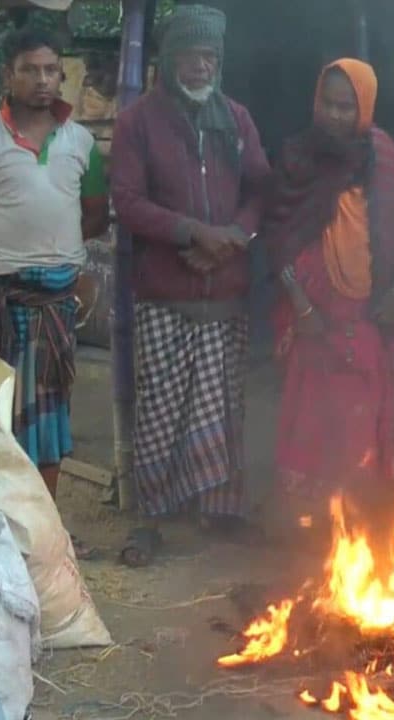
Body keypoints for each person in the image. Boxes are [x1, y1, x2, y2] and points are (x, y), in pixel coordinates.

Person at [109, 4, 270, 566]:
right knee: (161, 409)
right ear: (167, 58)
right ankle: (152, 518)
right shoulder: (137, 122)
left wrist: (232, 236)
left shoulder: (238, 119)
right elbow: (126, 201)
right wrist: (190, 233)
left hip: (224, 286)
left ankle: (220, 510)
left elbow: (259, 191)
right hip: (164, 291)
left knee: (223, 404)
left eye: (209, 57)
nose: (200, 67)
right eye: (190, 55)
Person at [0, 29, 108, 555]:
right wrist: (4, 265)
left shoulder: (80, 143)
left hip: (53, 308)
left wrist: (49, 260)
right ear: (7, 76)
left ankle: (45, 531)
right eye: (30, 69)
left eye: (51, 69)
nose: (42, 79)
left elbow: (95, 215)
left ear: (62, 76)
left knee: (50, 417)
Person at [264, 58, 394, 518]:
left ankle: (357, 523)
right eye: (328, 105)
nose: (335, 115)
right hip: (314, 320)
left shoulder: (385, 160)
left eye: (347, 107)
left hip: (367, 318)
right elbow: (280, 239)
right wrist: (300, 304)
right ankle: (312, 533)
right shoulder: (297, 158)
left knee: (362, 426)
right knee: (313, 424)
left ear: (365, 107)